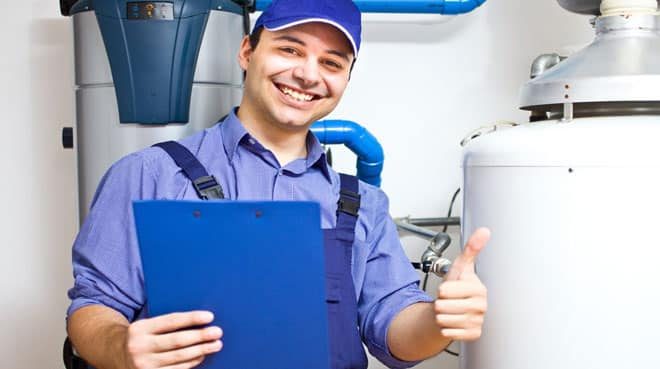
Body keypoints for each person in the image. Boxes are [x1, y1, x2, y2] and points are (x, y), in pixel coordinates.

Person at [66, 0, 490, 368]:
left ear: (345, 79)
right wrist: (121, 349)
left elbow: (393, 327)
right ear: (247, 51)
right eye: (290, 49)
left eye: (332, 62)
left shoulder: (363, 204)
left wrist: (438, 321)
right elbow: (93, 307)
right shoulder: (148, 174)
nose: (308, 75)